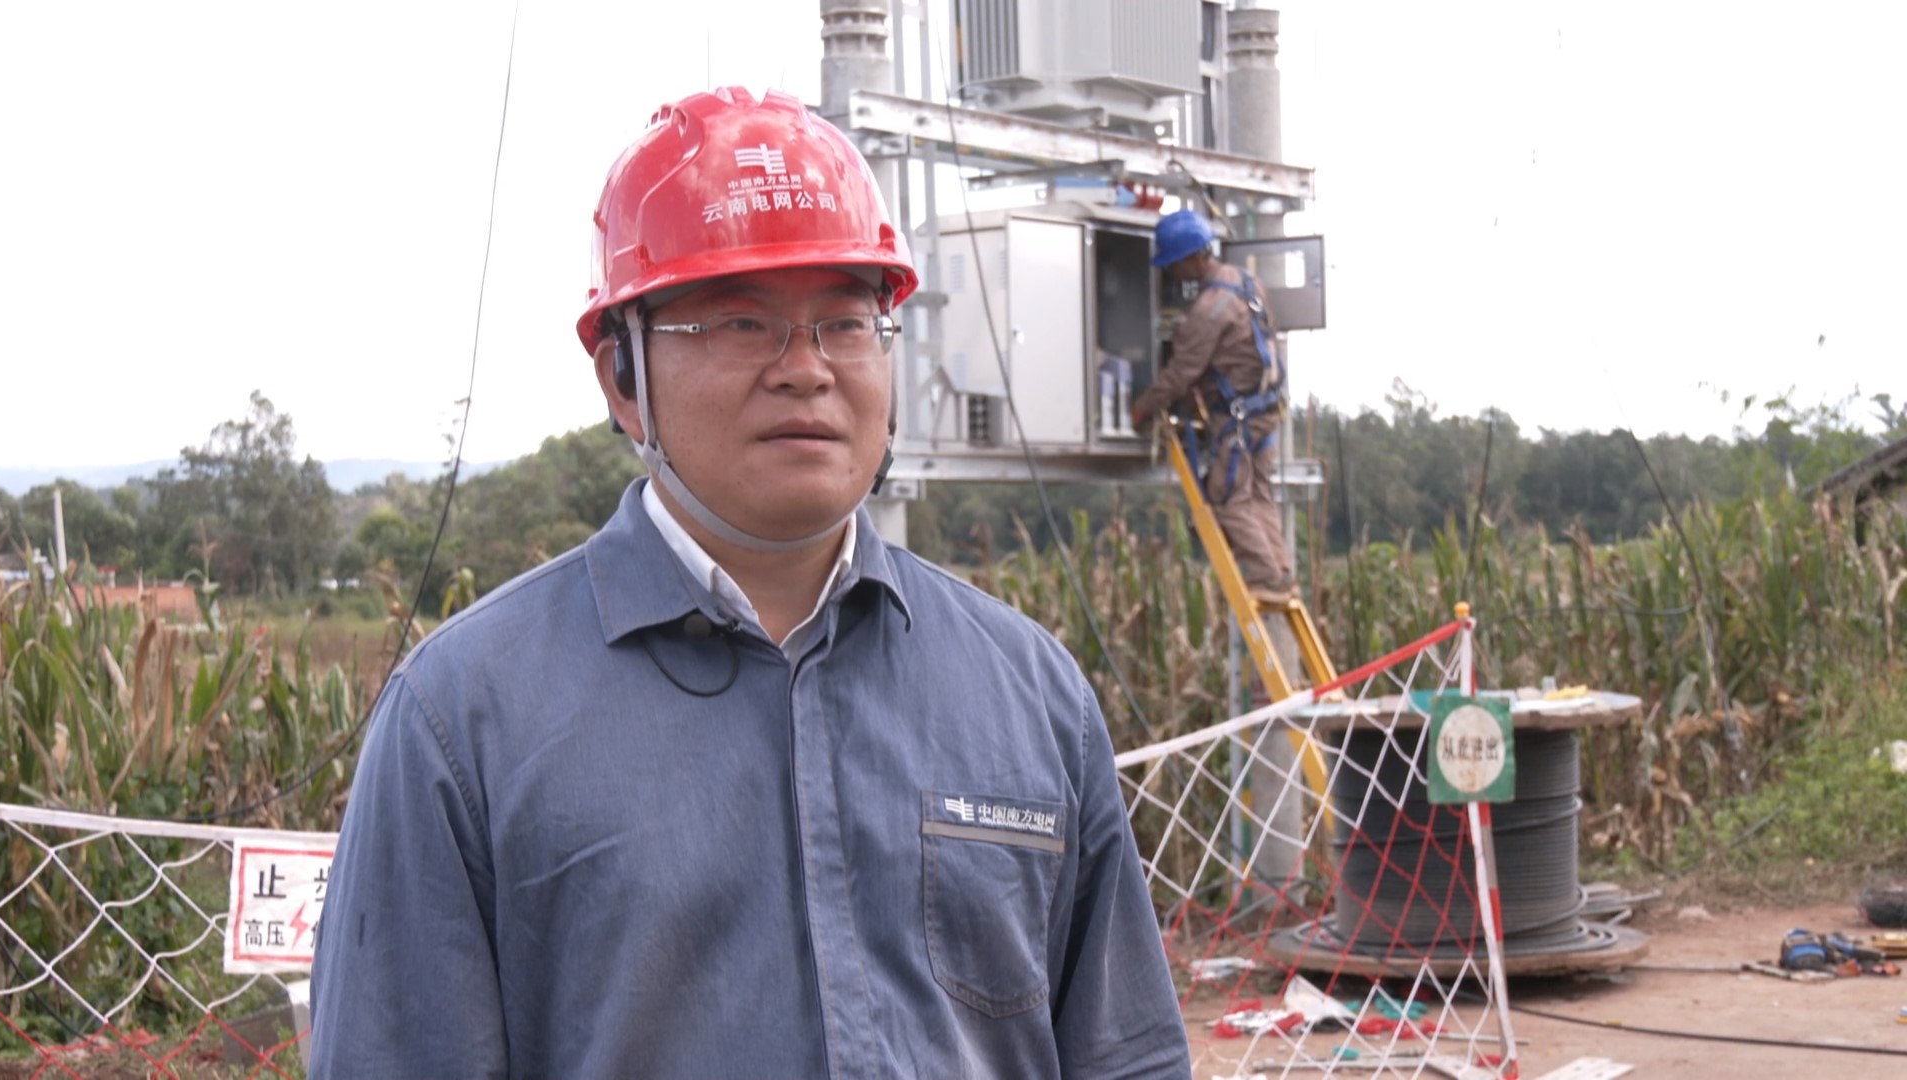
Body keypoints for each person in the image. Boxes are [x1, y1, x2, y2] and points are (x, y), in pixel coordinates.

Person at [307, 86, 1191, 1079]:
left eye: (846, 322)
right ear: (622, 378)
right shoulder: (463, 721)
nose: (806, 369)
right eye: (739, 321)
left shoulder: (1030, 696)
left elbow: (1128, 1058)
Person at [1132, 208, 1296, 605]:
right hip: (1267, 411)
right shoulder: (1247, 282)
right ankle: (1281, 574)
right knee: (1259, 494)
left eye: (1174, 266)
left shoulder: (1208, 310)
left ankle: (1265, 575)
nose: (1174, 276)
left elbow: (1181, 373)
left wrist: (1143, 408)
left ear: (1191, 258)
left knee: (1226, 497)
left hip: (1237, 417)